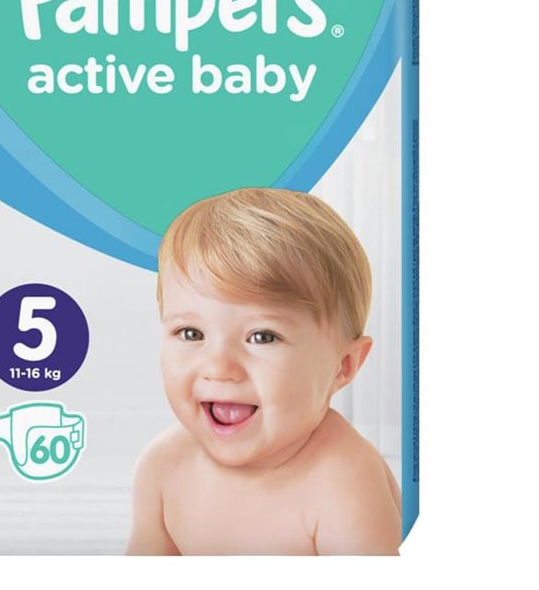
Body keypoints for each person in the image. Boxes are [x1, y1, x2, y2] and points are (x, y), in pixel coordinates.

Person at [127, 187, 402, 555]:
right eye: (191, 333)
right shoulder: (163, 467)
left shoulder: (344, 481)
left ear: (343, 365)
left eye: (263, 337)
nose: (219, 368)